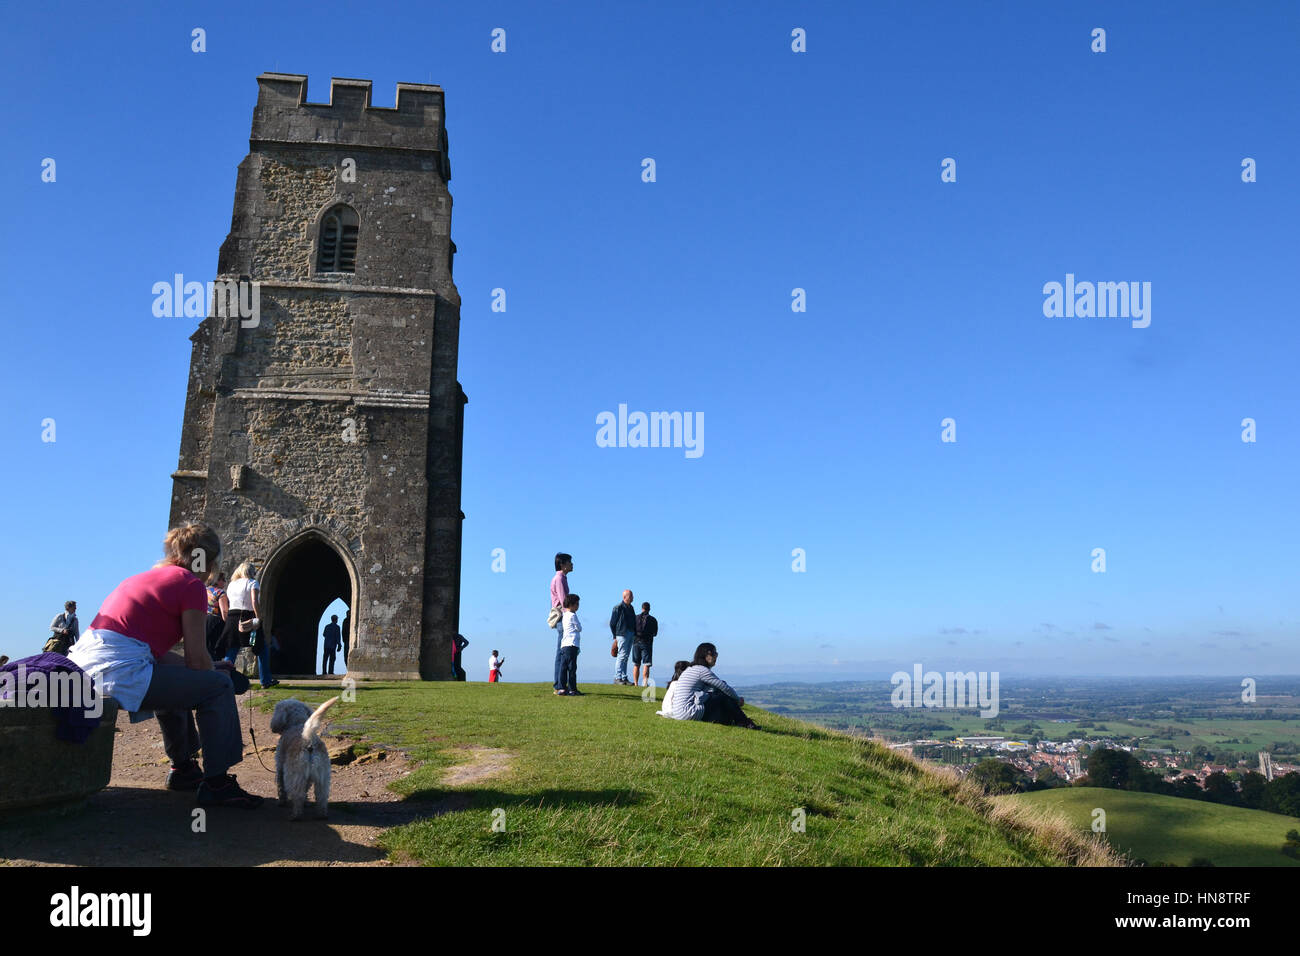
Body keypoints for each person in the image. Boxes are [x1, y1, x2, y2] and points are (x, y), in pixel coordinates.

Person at [66, 523, 264, 807]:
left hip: (83, 670)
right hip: (120, 671)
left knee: (178, 679)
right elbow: (197, 659)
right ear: (207, 560)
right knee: (219, 687)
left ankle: (183, 769)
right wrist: (217, 672)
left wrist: (213, 664)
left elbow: (157, 655)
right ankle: (217, 782)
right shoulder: (190, 585)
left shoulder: (139, 579)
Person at [669, 643, 758, 729]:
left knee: (718, 695)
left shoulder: (691, 669)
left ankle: (736, 721)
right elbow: (724, 687)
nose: (716, 657)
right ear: (707, 655)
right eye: (714, 653)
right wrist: (738, 700)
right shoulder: (702, 670)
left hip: (678, 713)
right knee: (722, 694)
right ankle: (745, 722)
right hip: (688, 712)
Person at [220, 562, 261, 669]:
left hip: (232, 616)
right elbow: (254, 601)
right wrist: (258, 617)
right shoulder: (253, 583)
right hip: (247, 615)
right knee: (261, 646)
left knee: (232, 646)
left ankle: (225, 672)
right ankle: (265, 679)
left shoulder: (231, 584)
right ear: (250, 572)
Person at [550, 553, 572, 695]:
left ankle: (561, 684)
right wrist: (569, 616)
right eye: (569, 562)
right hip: (562, 617)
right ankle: (559, 685)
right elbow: (564, 600)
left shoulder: (562, 578)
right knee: (562, 651)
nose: (572, 564)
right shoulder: (559, 578)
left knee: (563, 651)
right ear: (563, 564)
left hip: (563, 616)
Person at [609, 589, 637, 685]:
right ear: (625, 597)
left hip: (630, 633)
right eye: (631, 596)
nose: (633, 598)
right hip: (622, 633)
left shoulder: (631, 608)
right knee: (621, 656)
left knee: (625, 656)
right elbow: (612, 623)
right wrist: (615, 635)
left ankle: (624, 678)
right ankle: (617, 677)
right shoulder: (618, 607)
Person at [558, 593, 583, 696]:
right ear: (572, 605)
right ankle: (572, 689)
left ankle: (562, 688)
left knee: (563, 667)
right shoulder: (573, 615)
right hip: (572, 644)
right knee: (572, 668)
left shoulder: (564, 615)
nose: (578, 606)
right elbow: (579, 628)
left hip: (564, 644)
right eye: (577, 604)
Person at [632, 601, 658, 687]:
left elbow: (632, 630)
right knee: (646, 664)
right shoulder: (653, 620)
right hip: (647, 643)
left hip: (635, 642)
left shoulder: (635, 618)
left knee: (636, 664)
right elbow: (655, 633)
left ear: (642, 608)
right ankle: (644, 684)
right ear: (649, 609)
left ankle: (635, 683)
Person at [204, 573, 229, 660]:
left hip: (203, 621)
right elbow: (225, 612)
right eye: (223, 580)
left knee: (204, 648)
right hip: (216, 622)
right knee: (214, 650)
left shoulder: (204, 590)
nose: (225, 582)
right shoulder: (220, 593)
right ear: (217, 581)